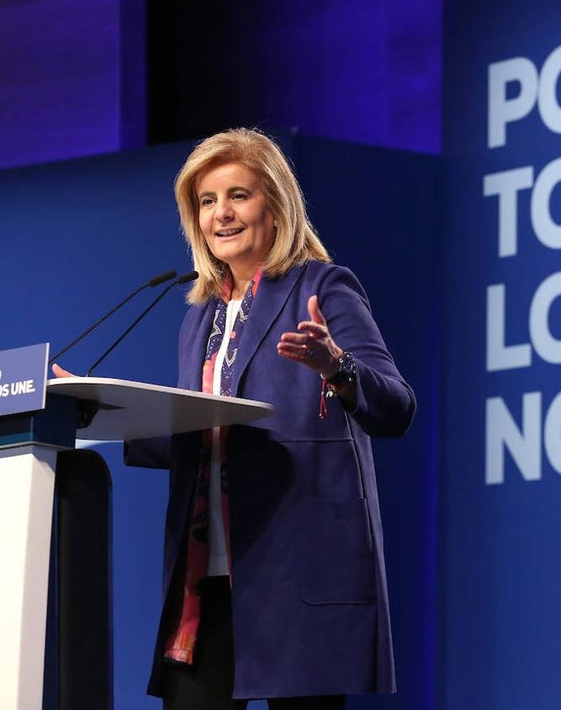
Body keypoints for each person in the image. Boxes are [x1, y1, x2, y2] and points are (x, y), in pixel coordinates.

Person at [112, 129, 414, 709]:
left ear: (274, 207)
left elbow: (395, 408)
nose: (221, 214)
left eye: (238, 196)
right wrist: (107, 407)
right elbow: (201, 434)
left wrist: (337, 366)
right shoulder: (201, 315)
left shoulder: (323, 288)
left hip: (295, 572)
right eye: (206, 201)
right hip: (207, 580)